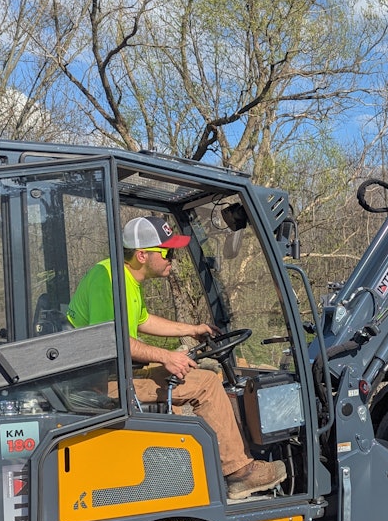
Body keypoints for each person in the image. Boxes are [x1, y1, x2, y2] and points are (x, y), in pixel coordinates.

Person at [67, 214, 286, 500]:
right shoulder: (108, 279)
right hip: (99, 384)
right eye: (167, 251)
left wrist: (192, 329)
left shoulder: (126, 279)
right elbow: (113, 340)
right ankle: (238, 472)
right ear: (143, 255)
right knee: (206, 383)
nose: (173, 257)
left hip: (112, 374)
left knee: (201, 373)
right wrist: (165, 357)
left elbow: (143, 321)